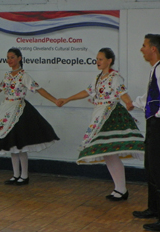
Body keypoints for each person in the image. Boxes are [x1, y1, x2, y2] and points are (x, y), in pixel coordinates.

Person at [56, 48, 145, 200]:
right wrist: (68, 98)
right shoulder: (98, 78)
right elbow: (87, 91)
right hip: (99, 114)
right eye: (97, 59)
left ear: (109, 60)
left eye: (101, 59)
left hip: (110, 114)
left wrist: (128, 102)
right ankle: (120, 189)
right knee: (108, 154)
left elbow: (121, 92)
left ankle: (121, 189)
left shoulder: (115, 77)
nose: (97, 62)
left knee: (110, 151)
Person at [0, 48, 59, 185]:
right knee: (12, 146)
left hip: (19, 110)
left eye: (12, 57)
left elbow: (38, 89)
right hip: (6, 109)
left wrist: (54, 100)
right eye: (8, 58)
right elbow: (0, 87)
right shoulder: (7, 75)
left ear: (19, 58)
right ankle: (15, 175)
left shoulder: (23, 75)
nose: (9, 60)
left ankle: (24, 175)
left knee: (20, 145)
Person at [130, 34, 160, 232]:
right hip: (155, 124)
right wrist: (133, 103)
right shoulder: (156, 69)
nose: (141, 49)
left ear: (153, 49)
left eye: (144, 46)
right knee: (150, 167)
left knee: (158, 171)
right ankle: (154, 208)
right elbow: (152, 97)